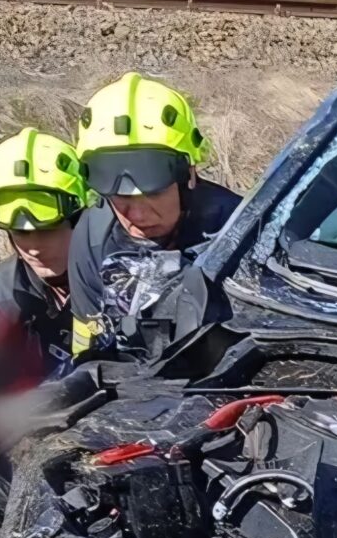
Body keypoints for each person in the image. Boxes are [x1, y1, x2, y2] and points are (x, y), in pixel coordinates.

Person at [68, 73, 241, 357]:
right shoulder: (92, 236)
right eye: (120, 195)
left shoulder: (235, 231)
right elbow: (87, 346)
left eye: (154, 191)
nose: (136, 213)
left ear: (189, 175)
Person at [0, 128, 89, 379]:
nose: (34, 248)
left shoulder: (121, 282)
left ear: (82, 219)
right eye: (20, 233)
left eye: (48, 230)